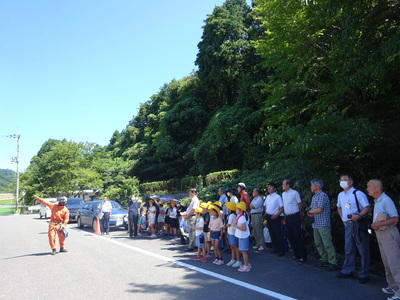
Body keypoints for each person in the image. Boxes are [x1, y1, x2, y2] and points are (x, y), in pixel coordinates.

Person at [367, 179, 400, 299]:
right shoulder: (377, 201)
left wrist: (378, 225)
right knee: (387, 262)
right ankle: (393, 286)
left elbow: (395, 218)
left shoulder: (386, 200)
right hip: (381, 234)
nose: (367, 188)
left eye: (369, 186)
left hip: (389, 233)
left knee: (394, 263)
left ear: (377, 188)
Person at [336, 174, 371, 284]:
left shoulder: (358, 193)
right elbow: (339, 206)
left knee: (362, 249)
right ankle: (347, 270)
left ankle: (364, 274)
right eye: (340, 180)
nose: (341, 182)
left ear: (350, 182)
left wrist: (359, 216)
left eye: (343, 180)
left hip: (358, 223)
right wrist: (343, 219)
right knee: (348, 248)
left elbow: (367, 207)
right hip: (348, 224)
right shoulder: (341, 195)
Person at [307, 179, 337, 270]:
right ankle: (324, 259)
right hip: (316, 223)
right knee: (318, 243)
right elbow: (314, 209)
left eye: (312, 185)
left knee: (327, 242)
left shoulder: (322, 195)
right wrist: (310, 213)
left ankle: (333, 262)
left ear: (316, 186)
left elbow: (319, 209)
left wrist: (309, 211)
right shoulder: (314, 196)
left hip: (323, 223)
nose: (310, 187)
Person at [282, 179, 307, 263]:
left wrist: (299, 215)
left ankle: (303, 255)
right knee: (290, 236)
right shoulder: (283, 194)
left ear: (288, 185)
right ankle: (296, 254)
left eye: (283, 184)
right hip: (287, 217)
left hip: (295, 216)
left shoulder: (295, 193)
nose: (282, 185)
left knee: (297, 236)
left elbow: (300, 205)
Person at [263, 182, 285, 256]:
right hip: (269, 216)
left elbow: (282, 207)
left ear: (274, 189)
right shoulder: (268, 196)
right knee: (271, 233)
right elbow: (265, 206)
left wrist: (277, 215)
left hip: (275, 217)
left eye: (271, 187)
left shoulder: (278, 197)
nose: (269, 188)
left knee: (277, 233)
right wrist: (266, 216)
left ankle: (281, 250)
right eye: (268, 187)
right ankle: (275, 248)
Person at [233, 201, 251, 272]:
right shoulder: (239, 216)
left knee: (243, 251)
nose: (236, 210)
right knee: (243, 251)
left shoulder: (242, 217)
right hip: (241, 236)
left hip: (243, 236)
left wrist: (236, 226)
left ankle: (246, 266)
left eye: (237, 208)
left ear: (240, 210)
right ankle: (247, 264)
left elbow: (244, 228)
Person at [225, 202, 240, 267]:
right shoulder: (231, 215)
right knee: (232, 247)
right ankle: (233, 259)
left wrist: (225, 225)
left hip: (233, 233)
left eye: (227, 207)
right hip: (231, 232)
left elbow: (228, 224)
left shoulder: (231, 215)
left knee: (235, 247)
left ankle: (238, 260)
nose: (226, 208)